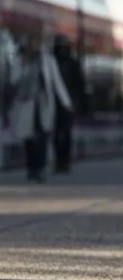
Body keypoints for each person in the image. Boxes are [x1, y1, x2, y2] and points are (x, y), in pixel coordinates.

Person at [8, 32, 73, 183]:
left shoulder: (47, 60)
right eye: (32, 43)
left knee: (43, 136)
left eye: (36, 43)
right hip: (26, 104)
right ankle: (32, 168)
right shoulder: (20, 59)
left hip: (43, 104)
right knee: (29, 138)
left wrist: (66, 102)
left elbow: (57, 82)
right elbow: (13, 80)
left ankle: (41, 168)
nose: (34, 46)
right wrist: (24, 65)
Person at [51, 34, 87, 174]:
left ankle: (63, 160)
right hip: (60, 103)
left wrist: (77, 102)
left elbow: (79, 84)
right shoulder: (65, 62)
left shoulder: (69, 62)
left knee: (63, 133)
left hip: (66, 103)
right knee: (60, 133)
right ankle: (61, 161)